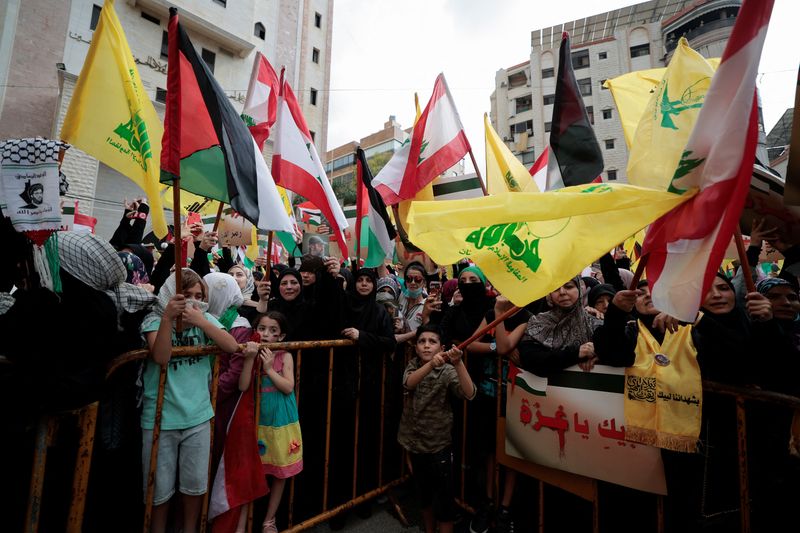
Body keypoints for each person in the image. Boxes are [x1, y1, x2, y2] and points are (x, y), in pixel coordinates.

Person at [140, 269, 239, 533]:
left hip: (198, 416)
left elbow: (230, 345)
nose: (194, 301)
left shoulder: (205, 318)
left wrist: (203, 321)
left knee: (194, 486)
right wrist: (167, 319)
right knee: (158, 490)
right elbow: (161, 356)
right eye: (187, 295)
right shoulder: (153, 319)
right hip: (161, 418)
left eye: (199, 296)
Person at [398, 325, 476, 533]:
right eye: (422, 341)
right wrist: (431, 364)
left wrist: (458, 363)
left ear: (441, 347)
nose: (426, 346)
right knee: (424, 497)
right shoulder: (413, 365)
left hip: (438, 445)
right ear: (415, 348)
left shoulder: (448, 371)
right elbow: (409, 383)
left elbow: (470, 393)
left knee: (444, 502)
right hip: (415, 443)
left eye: (432, 342)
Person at [468, 295, 532, 533]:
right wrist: (496, 347)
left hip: (515, 397)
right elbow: (473, 344)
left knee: (511, 453)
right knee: (489, 451)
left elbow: (505, 346)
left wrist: (500, 346)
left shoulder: (527, 317)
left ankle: (505, 508)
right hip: (488, 393)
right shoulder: (490, 314)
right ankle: (488, 502)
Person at [238, 312, 302, 533]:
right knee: (253, 469)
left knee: (280, 471)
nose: (266, 334)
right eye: (262, 328)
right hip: (257, 421)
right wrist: (249, 359)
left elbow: (288, 387)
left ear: (281, 336)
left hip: (281, 420)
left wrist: (268, 370)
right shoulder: (251, 353)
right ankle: (244, 518)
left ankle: (269, 519)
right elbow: (243, 385)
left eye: (273, 331)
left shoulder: (284, 356)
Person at [516, 276, 603, 376]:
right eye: (555, 288)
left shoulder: (594, 322)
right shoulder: (538, 323)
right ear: (550, 294)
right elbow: (531, 359)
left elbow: (617, 351)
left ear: (580, 289)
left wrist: (600, 357)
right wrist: (576, 354)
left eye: (569, 286)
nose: (562, 292)